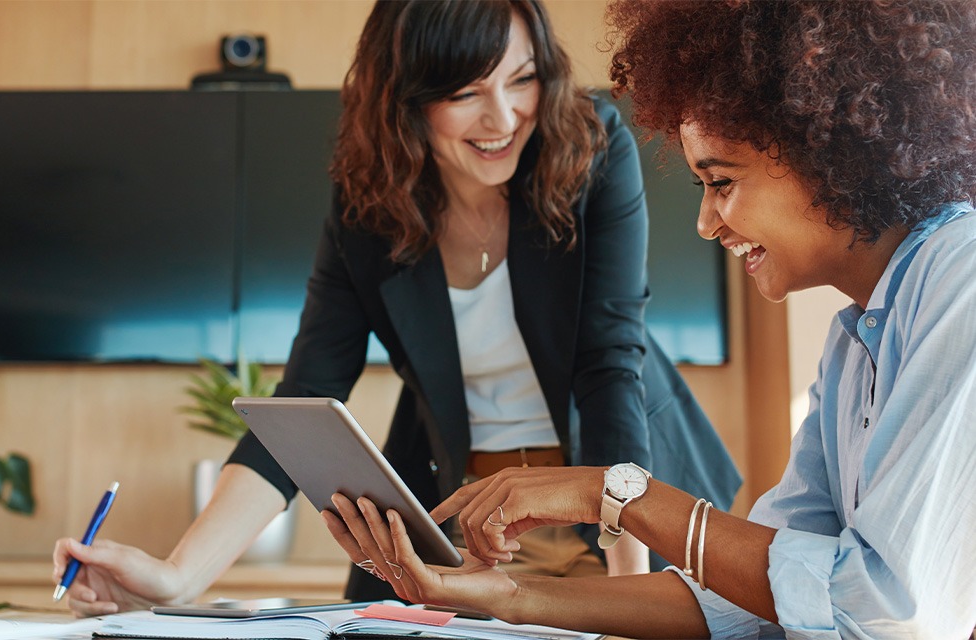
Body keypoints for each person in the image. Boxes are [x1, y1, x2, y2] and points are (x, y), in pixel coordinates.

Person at [52, 0, 739, 616]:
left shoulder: (591, 147)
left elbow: (607, 362)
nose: (503, 117)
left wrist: (629, 584)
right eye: (466, 91)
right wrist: (176, 578)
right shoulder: (369, 206)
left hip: (620, 507)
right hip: (472, 528)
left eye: (522, 78)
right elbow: (306, 398)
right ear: (406, 99)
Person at [323, 1, 976, 638]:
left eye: (721, 184)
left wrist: (614, 492)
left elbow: (886, 609)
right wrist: (508, 596)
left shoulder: (960, 272)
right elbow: (762, 595)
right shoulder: (851, 344)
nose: (705, 223)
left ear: (832, 152)